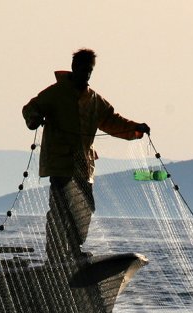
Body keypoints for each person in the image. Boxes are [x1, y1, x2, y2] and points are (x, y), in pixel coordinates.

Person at [22, 48, 150, 260]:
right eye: (83, 69)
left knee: (85, 207)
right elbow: (30, 108)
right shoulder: (56, 93)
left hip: (84, 164)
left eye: (90, 70)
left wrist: (136, 128)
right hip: (60, 162)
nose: (87, 74)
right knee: (60, 209)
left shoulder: (94, 100)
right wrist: (34, 119)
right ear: (74, 68)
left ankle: (73, 250)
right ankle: (55, 254)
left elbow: (112, 121)